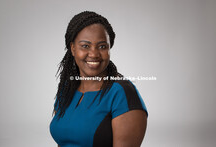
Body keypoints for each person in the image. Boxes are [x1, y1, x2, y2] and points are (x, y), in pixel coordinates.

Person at [50, 11, 148, 147]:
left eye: (102, 46)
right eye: (85, 46)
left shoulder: (121, 93)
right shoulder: (67, 89)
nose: (94, 54)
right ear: (72, 48)